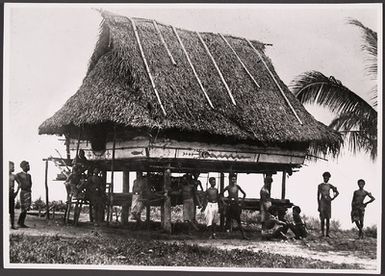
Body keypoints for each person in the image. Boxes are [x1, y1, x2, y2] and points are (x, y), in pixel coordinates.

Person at [221, 173, 247, 239]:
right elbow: (220, 195)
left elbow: (244, 194)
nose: (233, 180)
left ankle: (243, 235)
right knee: (228, 221)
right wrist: (224, 202)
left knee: (238, 220)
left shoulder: (237, 187)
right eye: (232, 179)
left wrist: (241, 202)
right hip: (230, 206)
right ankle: (226, 236)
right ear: (230, 179)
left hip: (236, 206)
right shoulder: (228, 187)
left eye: (235, 179)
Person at [317, 171, 339, 237]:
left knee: (328, 218)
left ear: (329, 178)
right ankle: (322, 233)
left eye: (327, 178)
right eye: (324, 178)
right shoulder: (320, 185)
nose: (325, 179)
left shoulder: (330, 185)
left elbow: (337, 192)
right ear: (323, 178)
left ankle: (327, 234)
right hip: (322, 202)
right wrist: (319, 205)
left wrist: (332, 198)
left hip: (328, 203)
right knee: (322, 218)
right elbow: (318, 196)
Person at [15, 161, 32, 228]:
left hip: (28, 192)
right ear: (23, 167)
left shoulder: (29, 175)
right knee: (23, 208)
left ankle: (21, 222)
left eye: (29, 165)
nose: (28, 167)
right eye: (27, 166)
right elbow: (18, 181)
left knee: (27, 208)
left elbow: (30, 183)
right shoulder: (18, 174)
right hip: (23, 192)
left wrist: (29, 190)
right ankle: (20, 223)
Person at [9, 161, 20, 229]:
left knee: (12, 211)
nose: (13, 168)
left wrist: (16, 192)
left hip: (11, 194)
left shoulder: (14, 176)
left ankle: (12, 225)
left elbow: (20, 184)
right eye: (12, 166)